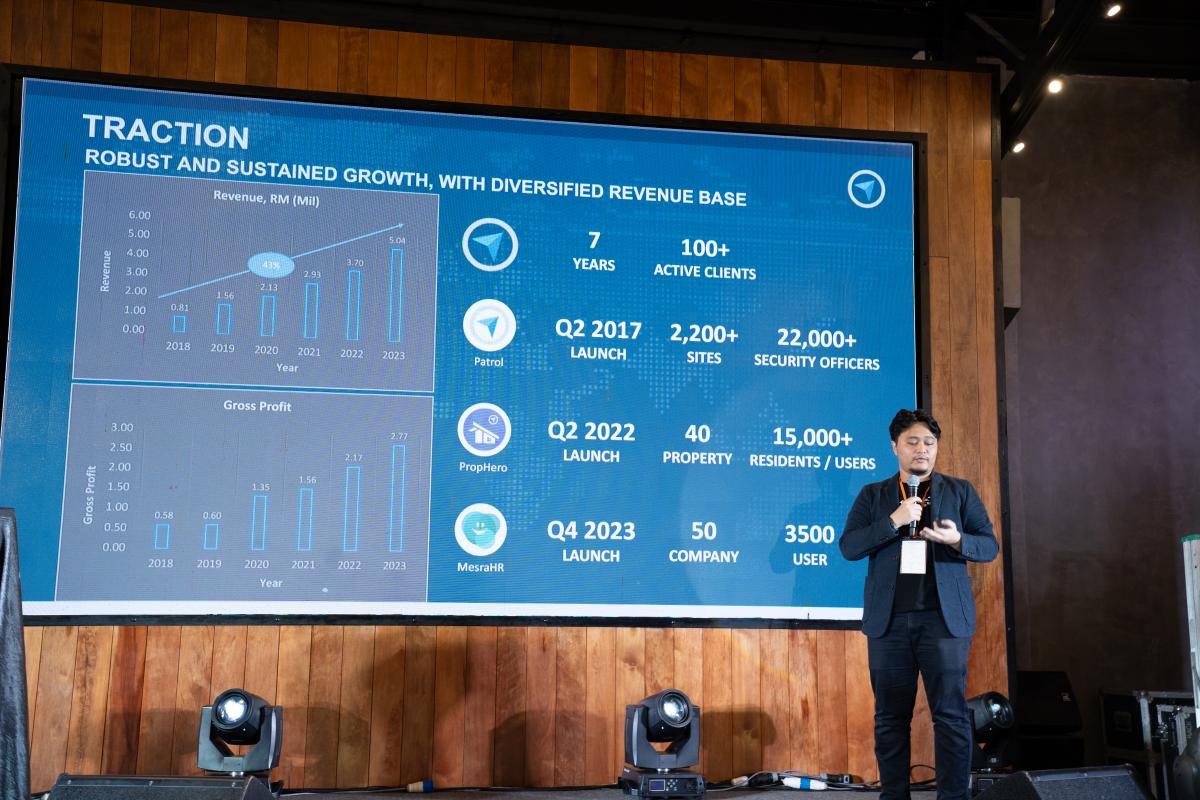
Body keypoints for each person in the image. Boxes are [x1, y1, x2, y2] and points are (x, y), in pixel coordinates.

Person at [839, 409, 998, 800]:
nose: (922, 449)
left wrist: (957, 540)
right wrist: (893, 521)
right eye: (912, 441)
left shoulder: (959, 491)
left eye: (929, 442)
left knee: (951, 715)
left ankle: (953, 797)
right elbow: (849, 547)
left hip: (943, 623)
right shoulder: (874, 495)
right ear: (894, 447)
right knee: (890, 718)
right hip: (889, 624)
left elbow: (989, 546)